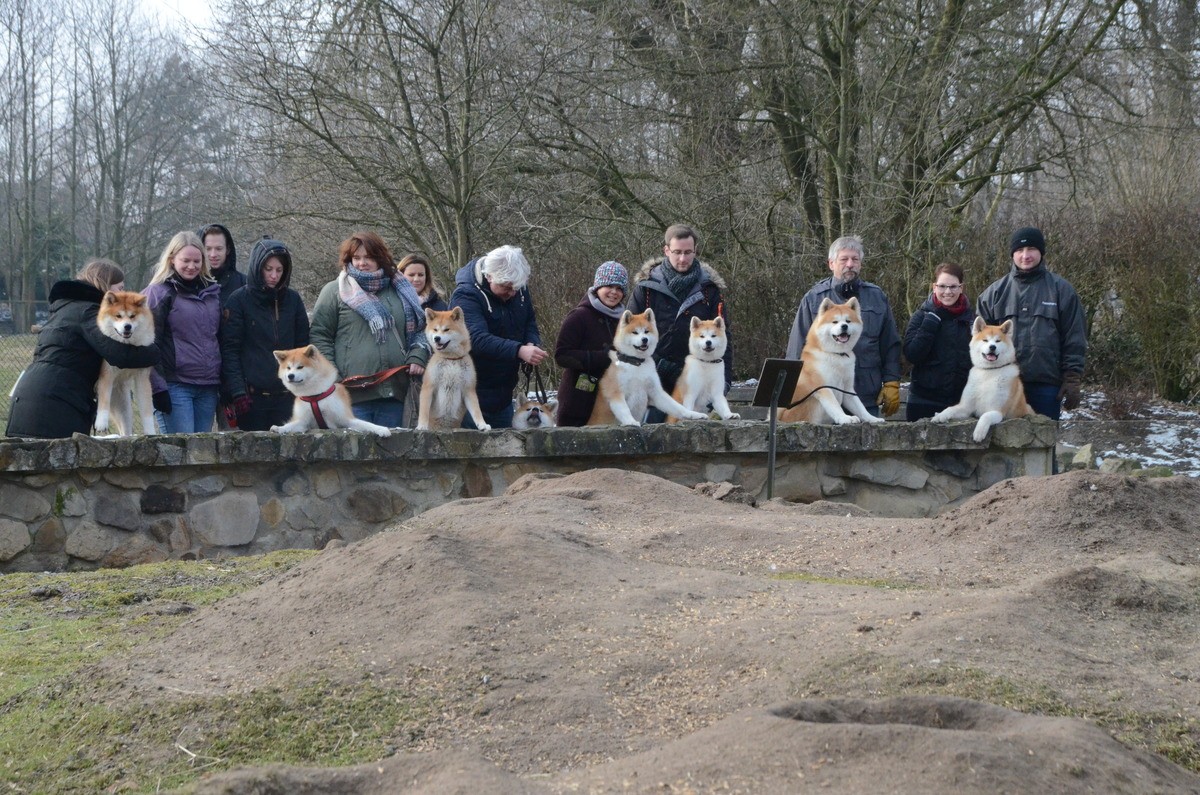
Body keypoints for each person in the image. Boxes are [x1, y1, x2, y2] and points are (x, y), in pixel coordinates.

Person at [6, 259, 161, 438]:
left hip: (29, 395)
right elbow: (119, 355)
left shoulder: (65, 307)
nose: (123, 293)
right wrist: (155, 351)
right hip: (58, 401)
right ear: (105, 285)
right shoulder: (88, 312)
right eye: (120, 288)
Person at [310, 231, 429, 427]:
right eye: (356, 258)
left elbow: (422, 329)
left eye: (368, 257)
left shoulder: (400, 289)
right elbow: (319, 337)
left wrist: (418, 356)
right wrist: (332, 378)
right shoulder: (333, 291)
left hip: (395, 395)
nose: (362, 263)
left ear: (380, 257)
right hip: (350, 397)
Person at [977, 226, 1087, 419]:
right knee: (1004, 438)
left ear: (1041, 252)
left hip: (1046, 386)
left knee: (1043, 437)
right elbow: (979, 343)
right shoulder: (993, 294)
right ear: (1012, 254)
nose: (1025, 255)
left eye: (1031, 249)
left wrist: (1072, 377)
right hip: (1002, 386)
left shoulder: (1062, 291)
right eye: (1019, 250)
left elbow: (1074, 337)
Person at [785, 235, 902, 418]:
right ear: (831, 263)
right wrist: (790, 393)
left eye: (855, 259)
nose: (850, 264)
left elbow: (890, 344)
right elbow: (796, 348)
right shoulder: (814, 299)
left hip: (866, 394)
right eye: (844, 259)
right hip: (821, 402)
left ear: (861, 263)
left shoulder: (876, 297)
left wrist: (891, 381)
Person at [629, 223, 733, 423]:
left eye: (688, 252)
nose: (683, 259)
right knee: (650, 437)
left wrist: (725, 382)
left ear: (695, 251)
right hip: (652, 381)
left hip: (696, 383)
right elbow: (628, 337)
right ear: (666, 250)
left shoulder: (710, 290)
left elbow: (724, 338)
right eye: (677, 252)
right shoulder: (646, 289)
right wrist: (659, 364)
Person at [220, 237, 311, 431]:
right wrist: (237, 391)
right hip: (252, 398)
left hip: (289, 394)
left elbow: (303, 346)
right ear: (258, 268)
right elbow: (230, 350)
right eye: (268, 269)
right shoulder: (238, 300)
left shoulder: (293, 300)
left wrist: (306, 386)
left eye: (279, 270)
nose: (274, 276)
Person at [450, 245, 546, 429]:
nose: (513, 293)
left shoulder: (518, 289)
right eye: (507, 288)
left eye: (517, 288)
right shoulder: (466, 295)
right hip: (469, 395)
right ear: (489, 276)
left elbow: (529, 321)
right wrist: (518, 350)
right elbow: (475, 338)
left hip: (503, 394)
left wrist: (531, 342)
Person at [144, 231, 223, 433]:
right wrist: (157, 388)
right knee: (181, 449)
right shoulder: (158, 293)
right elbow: (147, 344)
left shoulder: (213, 293)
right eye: (185, 260)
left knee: (203, 449)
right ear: (172, 259)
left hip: (208, 386)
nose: (191, 266)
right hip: (174, 385)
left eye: (197, 261)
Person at [554, 261, 628, 427]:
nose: (614, 292)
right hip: (578, 402)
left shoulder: (625, 319)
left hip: (612, 401)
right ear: (598, 287)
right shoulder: (578, 316)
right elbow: (562, 356)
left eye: (619, 288)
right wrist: (601, 358)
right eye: (609, 286)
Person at [903, 263, 977, 421]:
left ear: (961, 288)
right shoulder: (921, 316)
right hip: (923, 401)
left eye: (953, 286)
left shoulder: (973, 320)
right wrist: (931, 322)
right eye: (942, 286)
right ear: (934, 287)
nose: (948, 292)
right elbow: (912, 354)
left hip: (961, 403)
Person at [199, 223, 246, 306]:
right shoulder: (191, 284)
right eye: (208, 249)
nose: (213, 254)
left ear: (228, 250)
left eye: (219, 249)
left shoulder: (244, 284)